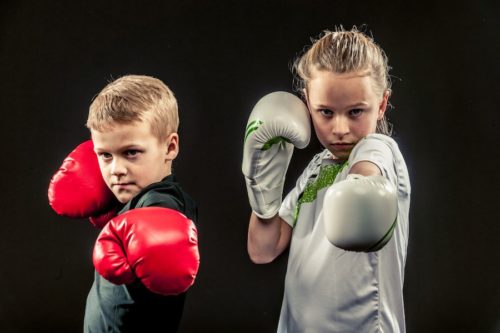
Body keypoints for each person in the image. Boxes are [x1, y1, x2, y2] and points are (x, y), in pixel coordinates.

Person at [242, 27, 411, 332]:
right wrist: (263, 182)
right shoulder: (316, 169)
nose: (340, 128)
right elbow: (262, 250)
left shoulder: (380, 150)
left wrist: (360, 187)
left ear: (382, 104)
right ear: (306, 103)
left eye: (356, 111)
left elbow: (367, 171)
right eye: (326, 112)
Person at [48, 75, 200, 332]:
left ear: (170, 146)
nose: (116, 169)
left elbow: (163, 217)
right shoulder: (137, 200)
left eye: (131, 152)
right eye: (105, 155)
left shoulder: (161, 202)